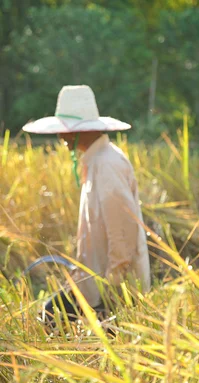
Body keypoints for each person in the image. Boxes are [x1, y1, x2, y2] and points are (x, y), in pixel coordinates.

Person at [22, 85, 151, 323]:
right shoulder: (95, 161)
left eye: (65, 131)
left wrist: (111, 291)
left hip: (114, 289)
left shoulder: (107, 164)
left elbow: (123, 231)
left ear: (81, 132)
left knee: (55, 319)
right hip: (94, 282)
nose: (61, 137)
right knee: (50, 316)